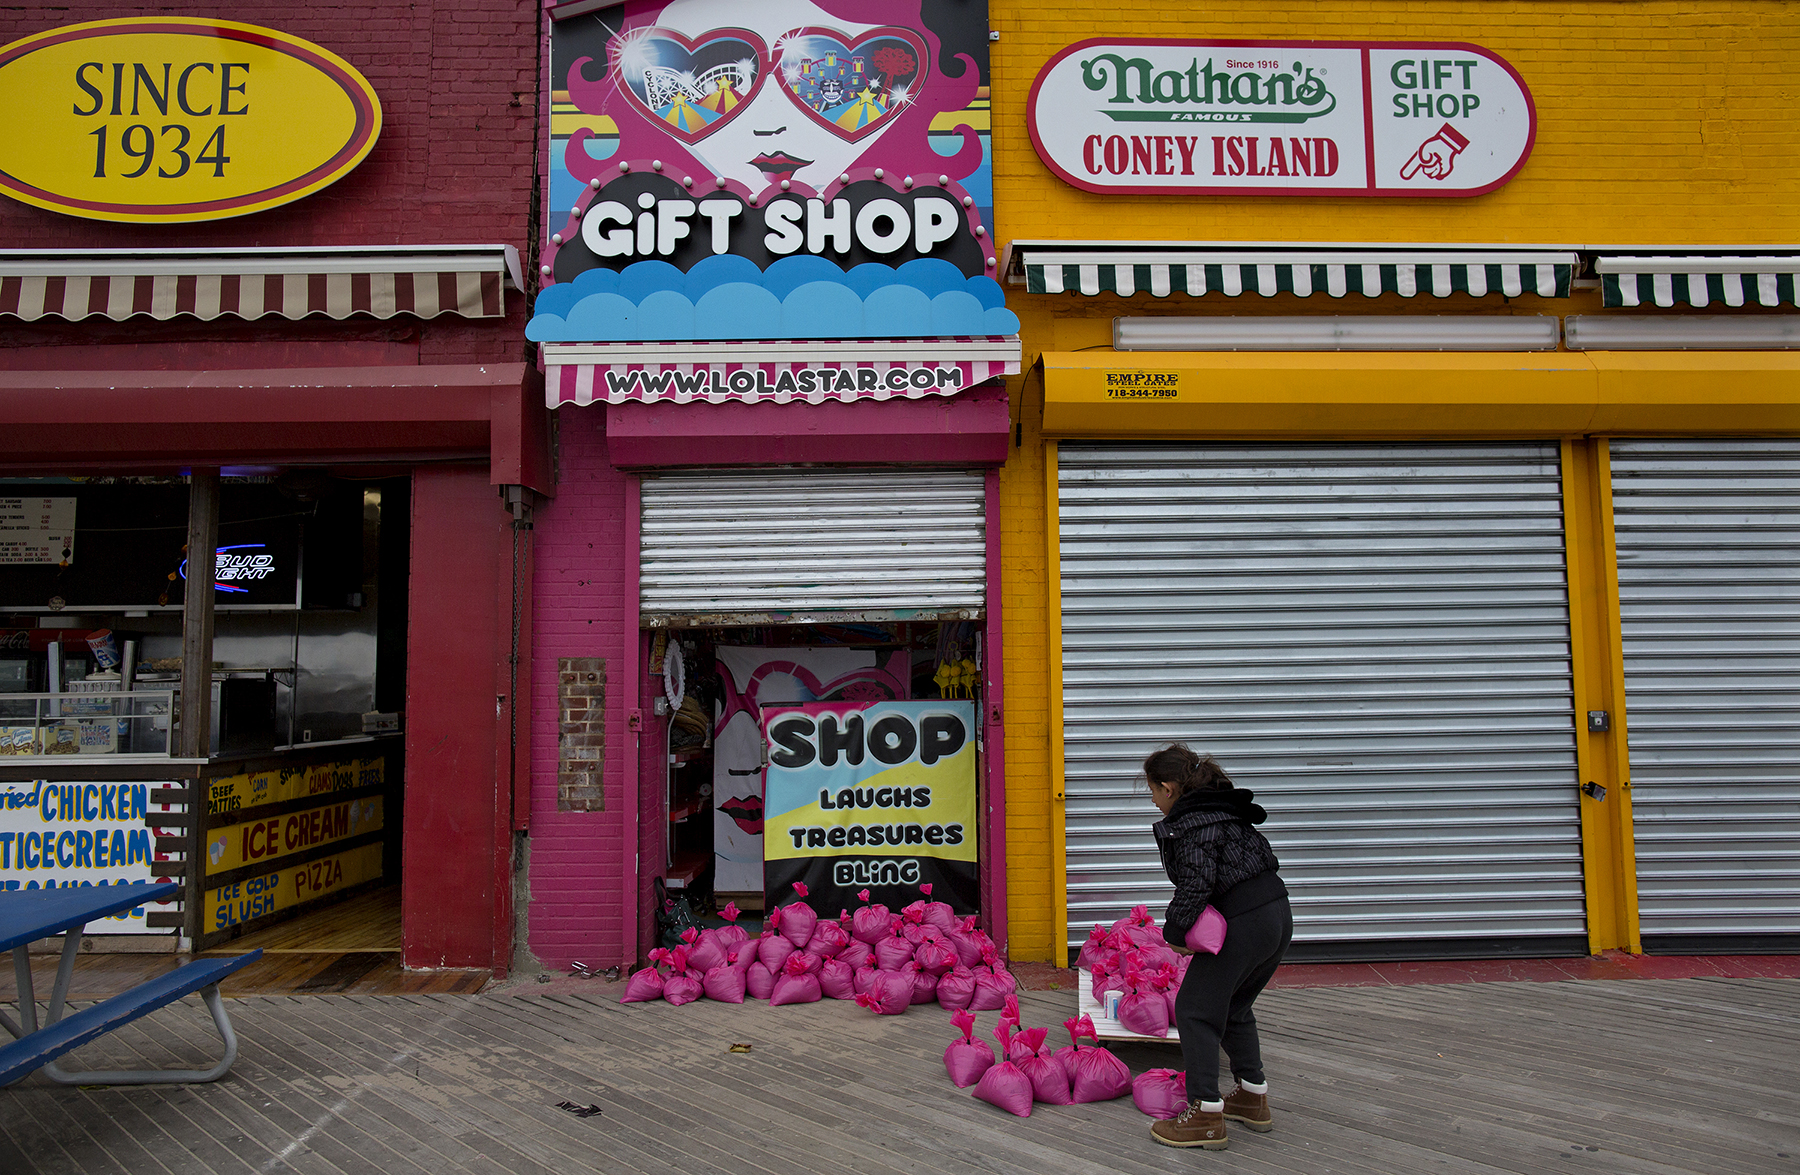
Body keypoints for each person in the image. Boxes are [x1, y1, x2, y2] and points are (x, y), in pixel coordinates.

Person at [1142, 743, 1293, 1151]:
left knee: (1195, 1011)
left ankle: (1206, 1115)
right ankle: (1251, 1095)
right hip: (1277, 915)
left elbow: (1197, 883)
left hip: (1244, 922)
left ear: (1169, 788)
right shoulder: (1225, 810)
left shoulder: (1190, 823)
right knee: (1234, 1007)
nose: (1153, 801)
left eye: (1152, 790)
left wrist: (1174, 932)